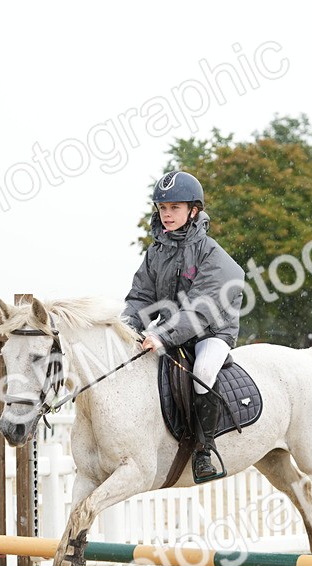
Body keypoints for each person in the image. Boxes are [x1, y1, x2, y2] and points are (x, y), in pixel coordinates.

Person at [121, 170, 242, 480]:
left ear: (194, 211)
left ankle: (205, 450)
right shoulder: (155, 253)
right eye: (163, 208)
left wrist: (162, 334)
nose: (167, 214)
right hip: (172, 333)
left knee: (202, 371)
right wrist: (126, 329)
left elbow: (201, 309)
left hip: (211, 331)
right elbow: (140, 297)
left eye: (174, 207)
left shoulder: (212, 254)